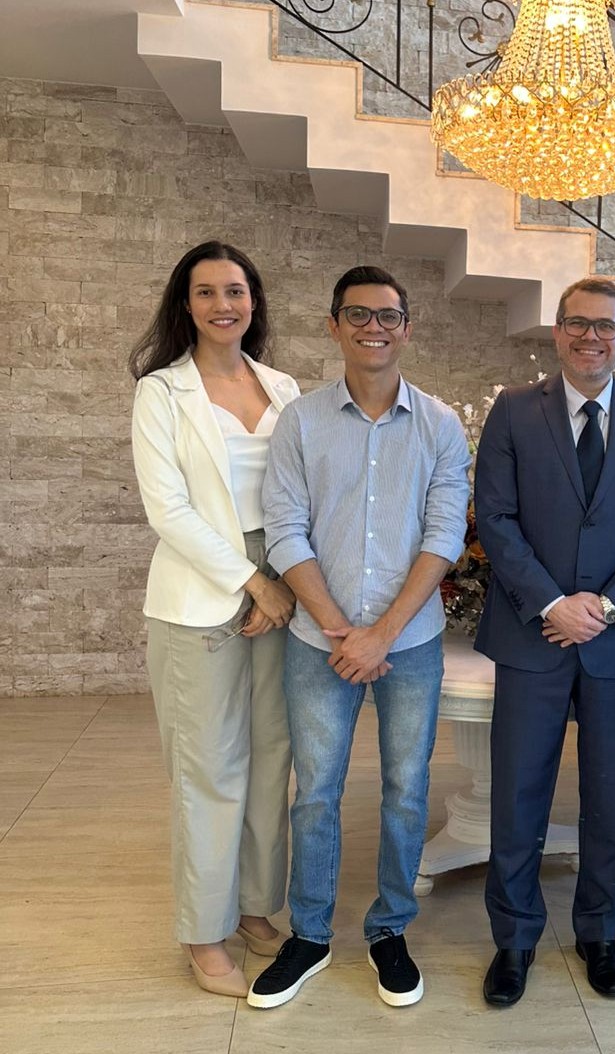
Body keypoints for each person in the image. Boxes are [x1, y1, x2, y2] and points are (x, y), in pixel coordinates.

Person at [249, 267, 470, 1009]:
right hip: (320, 642)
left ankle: (390, 929)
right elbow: (285, 528)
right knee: (316, 792)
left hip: (410, 643)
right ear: (334, 325)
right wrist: (344, 630)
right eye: (358, 314)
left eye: (388, 316)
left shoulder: (439, 425)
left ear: (407, 328)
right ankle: (310, 935)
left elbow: (444, 535)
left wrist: (383, 633)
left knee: (407, 790)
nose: (374, 327)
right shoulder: (301, 422)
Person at [473, 276, 615, 1007]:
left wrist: (606, 605)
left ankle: (599, 930)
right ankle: (514, 939)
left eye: (606, 326)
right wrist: (552, 603)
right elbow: (496, 518)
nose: (591, 337)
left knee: (608, 793)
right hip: (532, 634)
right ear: (557, 331)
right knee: (518, 792)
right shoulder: (514, 409)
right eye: (577, 324)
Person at [130, 240, 299, 998]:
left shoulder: (284, 387)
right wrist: (251, 582)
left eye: (235, 290)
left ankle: (256, 907)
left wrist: (282, 582)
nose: (222, 305)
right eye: (206, 292)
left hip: (282, 586)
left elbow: (301, 491)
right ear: (186, 304)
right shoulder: (161, 393)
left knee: (270, 756)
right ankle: (204, 930)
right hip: (204, 592)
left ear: (253, 300)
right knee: (210, 765)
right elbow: (167, 509)